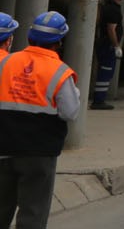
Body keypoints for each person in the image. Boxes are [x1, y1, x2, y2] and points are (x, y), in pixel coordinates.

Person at [0, 12, 82, 229]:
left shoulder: (7, 61)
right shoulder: (60, 72)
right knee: (33, 213)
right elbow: (70, 112)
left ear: (29, 38)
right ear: (59, 43)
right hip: (39, 152)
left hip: (3, 147)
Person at [92, 0, 124, 110]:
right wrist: (116, 46)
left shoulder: (112, 8)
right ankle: (98, 100)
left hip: (106, 44)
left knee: (106, 72)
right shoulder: (112, 10)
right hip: (108, 45)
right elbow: (111, 29)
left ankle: (100, 99)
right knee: (105, 72)